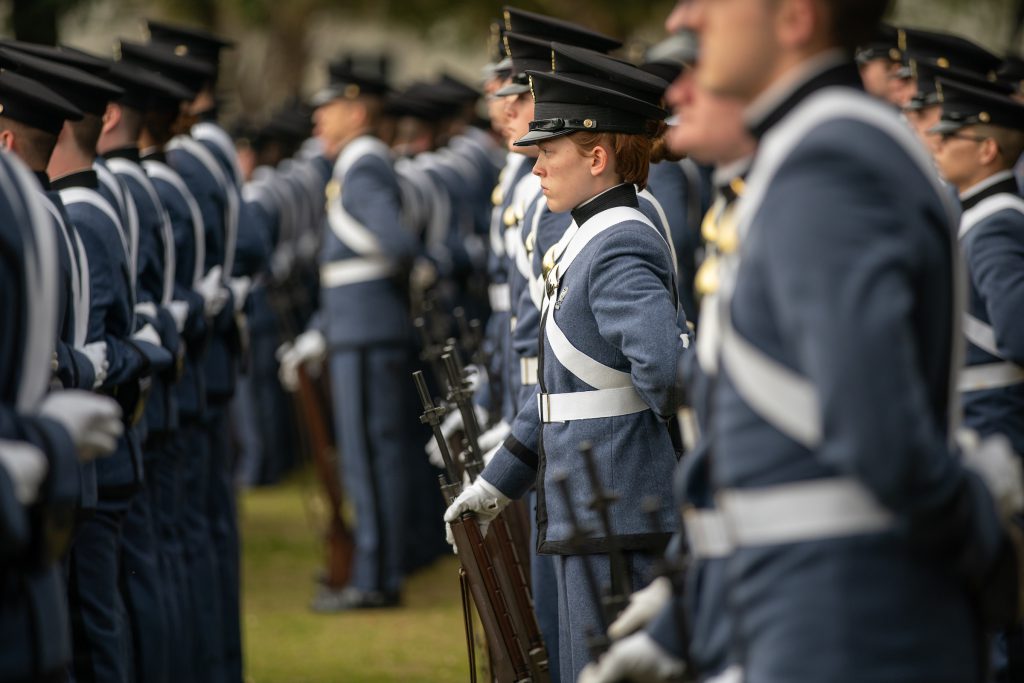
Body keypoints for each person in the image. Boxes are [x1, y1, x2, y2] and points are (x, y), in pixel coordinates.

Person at [685, 0, 1022, 680]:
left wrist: (989, 542)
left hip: (847, 616)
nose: (682, 18)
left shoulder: (831, 157)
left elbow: (882, 435)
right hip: (803, 600)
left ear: (795, 18)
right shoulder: (805, 150)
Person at [444, 60, 689, 681]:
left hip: (618, 508)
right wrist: (500, 482)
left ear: (599, 156)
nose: (536, 165)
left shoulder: (617, 244)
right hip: (591, 499)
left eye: (550, 151)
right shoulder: (590, 235)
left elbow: (667, 373)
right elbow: (561, 389)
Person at [929, 78, 1024, 682]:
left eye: (951, 133)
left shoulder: (992, 224)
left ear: (987, 149)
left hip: (997, 430)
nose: (936, 141)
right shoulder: (981, 216)